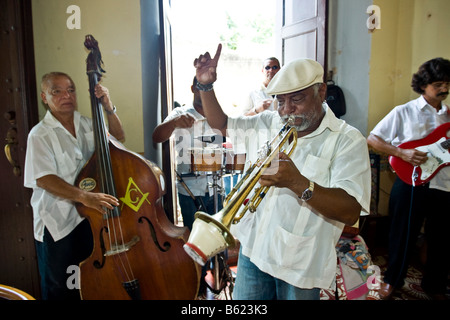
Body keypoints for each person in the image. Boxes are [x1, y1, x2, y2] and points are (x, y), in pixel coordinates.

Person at [193, 44, 371, 300]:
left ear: (321, 92)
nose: (286, 110)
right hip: (254, 251)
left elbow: (351, 209)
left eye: (296, 99)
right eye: (280, 100)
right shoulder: (270, 121)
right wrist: (206, 86)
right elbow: (221, 124)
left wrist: (299, 183)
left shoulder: (348, 140)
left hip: (300, 264)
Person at [24, 72, 125, 300]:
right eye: (56, 91)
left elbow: (119, 139)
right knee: (61, 287)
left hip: (90, 219)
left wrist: (108, 108)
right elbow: (44, 178)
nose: (66, 95)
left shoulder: (89, 124)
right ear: (44, 97)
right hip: (58, 222)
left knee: (89, 281)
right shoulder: (39, 135)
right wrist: (85, 197)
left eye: (70, 89)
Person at [367, 57, 450, 300]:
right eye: (438, 84)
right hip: (410, 183)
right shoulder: (403, 112)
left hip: (444, 184)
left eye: (447, 83)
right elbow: (373, 138)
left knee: (441, 239)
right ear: (423, 84)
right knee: (402, 235)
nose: (444, 89)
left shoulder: (448, 117)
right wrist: (401, 152)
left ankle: (434, 286)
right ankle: (393, 281)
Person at [152, 77, 223, 231]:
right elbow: (156, 137)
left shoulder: (217, 114)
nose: (203, 92)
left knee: (217, 237)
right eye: (200, 87)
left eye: (207, 87)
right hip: (189, 189)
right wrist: (174, 122)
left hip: (215, 188)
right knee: (194, 237)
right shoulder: (180, 113)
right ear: (193, 88)